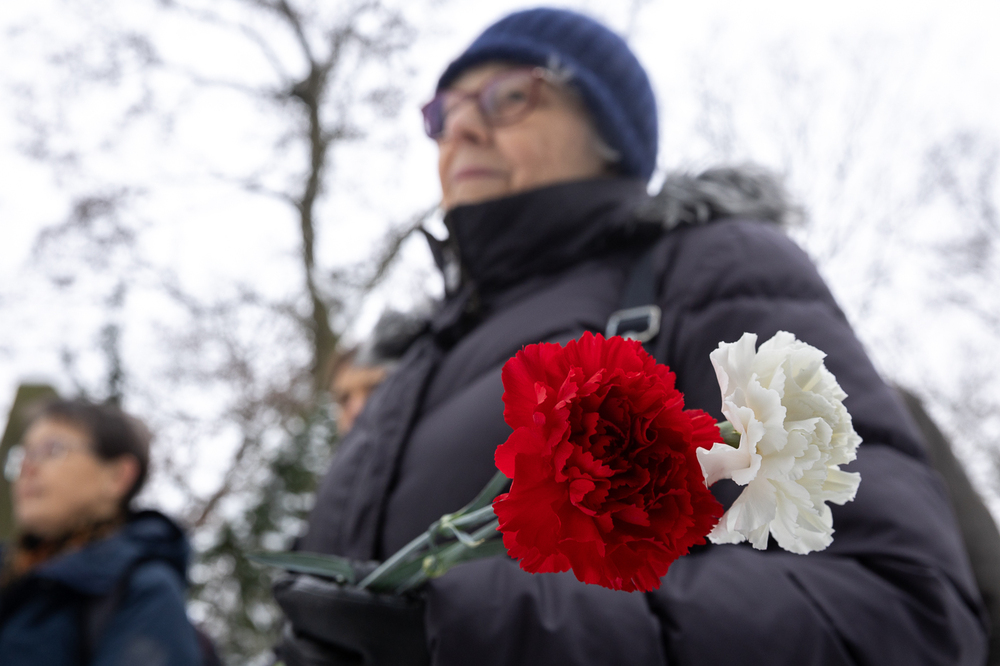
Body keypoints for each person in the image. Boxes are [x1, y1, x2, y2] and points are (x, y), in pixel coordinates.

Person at [279, 7, 989, 665]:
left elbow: (892, 609)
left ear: (608, 132)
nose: (460, 129)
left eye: (507, 98)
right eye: (443, 112)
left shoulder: (709, 269)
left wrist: (477, 628)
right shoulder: (407, 370)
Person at [0, 398, 202, 665]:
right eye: (24, 454)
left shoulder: (142, 591)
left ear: (118, 476)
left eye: (52, 450)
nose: (28, 467)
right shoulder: (12, 572)